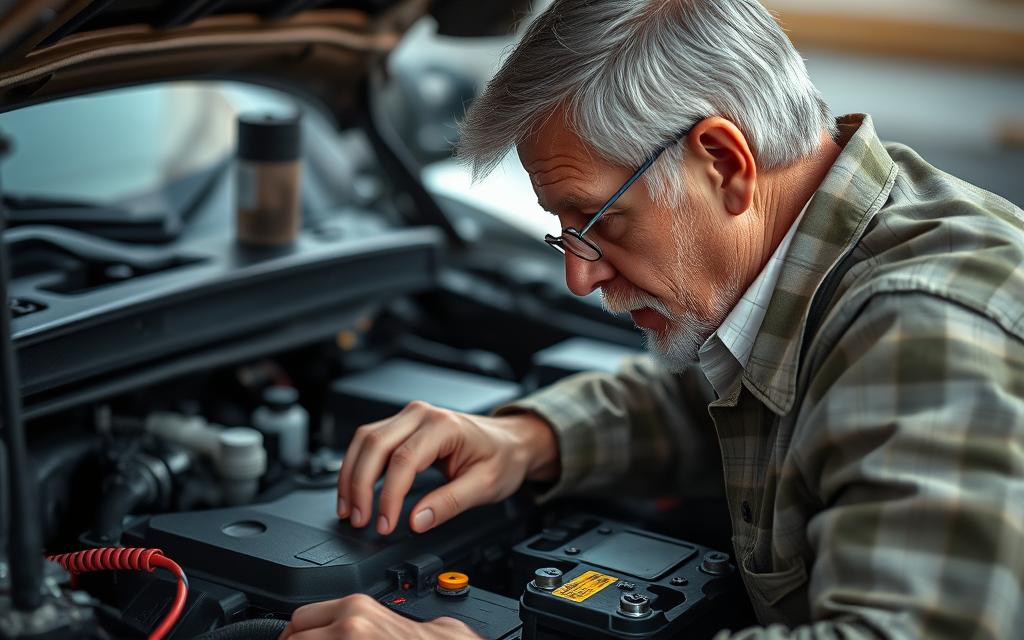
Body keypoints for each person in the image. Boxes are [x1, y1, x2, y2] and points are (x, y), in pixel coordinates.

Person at [279, 1, 1024, 638]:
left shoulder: (926, 329)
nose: (579, 275)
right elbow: (722, 398)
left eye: (597, 221)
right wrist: (526, 437)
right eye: (563, 230)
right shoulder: (825, 256)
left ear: (725, 163)